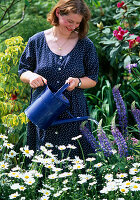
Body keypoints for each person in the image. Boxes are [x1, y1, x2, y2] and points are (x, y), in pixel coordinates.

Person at [18, 0, 99, 159]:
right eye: (69, 21)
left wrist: (78, 82)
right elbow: (23, 71)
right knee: (42, 162)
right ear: (58, 13)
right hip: (42, 112)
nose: (73, 26)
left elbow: (93, 78)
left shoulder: (85, 45)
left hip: (73, 114)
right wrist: (31, 77)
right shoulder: (37, 41)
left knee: (75, 162)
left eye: (77, 23)